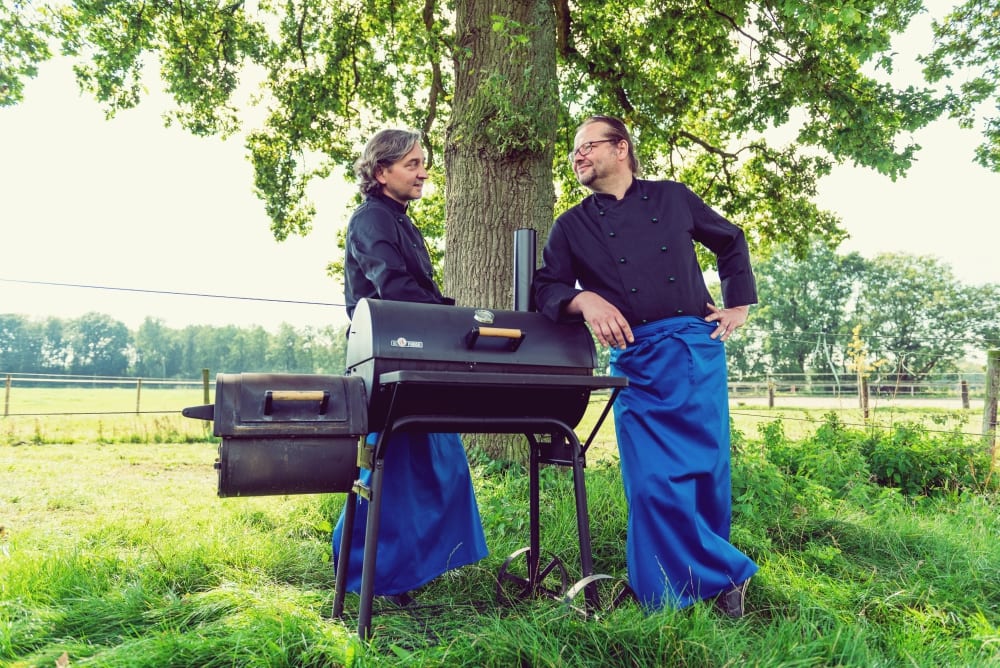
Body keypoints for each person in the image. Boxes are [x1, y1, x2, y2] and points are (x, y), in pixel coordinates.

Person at [533, 115, 758, 617]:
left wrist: (738, 303)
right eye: (573, 153)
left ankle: (711, 589)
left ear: (620, 148)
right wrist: (585, 300)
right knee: (651, 480)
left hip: (695, 350)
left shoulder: (674, 198)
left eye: (586, 147)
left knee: (704, 473)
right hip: (637, 363)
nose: (577, 158)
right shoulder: (571, 225)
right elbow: (545, 288)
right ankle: (712, 577)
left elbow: (730, 239)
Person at [333, 128, 488, 602]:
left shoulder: (400, 218)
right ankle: (359, 574)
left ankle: (407, 575)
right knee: (388, 469)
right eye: (412, 164)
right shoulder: (370, 220)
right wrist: (450, 317)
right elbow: (393, 287)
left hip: (414, 351)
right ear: (381, 172)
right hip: (384, 358)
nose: (423, 172)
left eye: (424, 162)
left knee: (440, 465)